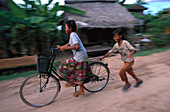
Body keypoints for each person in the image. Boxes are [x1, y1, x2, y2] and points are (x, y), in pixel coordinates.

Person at [56, 20, 92, 97]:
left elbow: (76, 46)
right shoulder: (72, 35)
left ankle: (71, 81)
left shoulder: (73, 35)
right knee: (78, 72)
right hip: (79, 56)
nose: (65, 29)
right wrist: (62, 47)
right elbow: (69, 43)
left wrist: (65, 48)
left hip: (80, 56)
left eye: (66, 27)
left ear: (70, 28)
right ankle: (81, 90)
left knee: (64, 65)